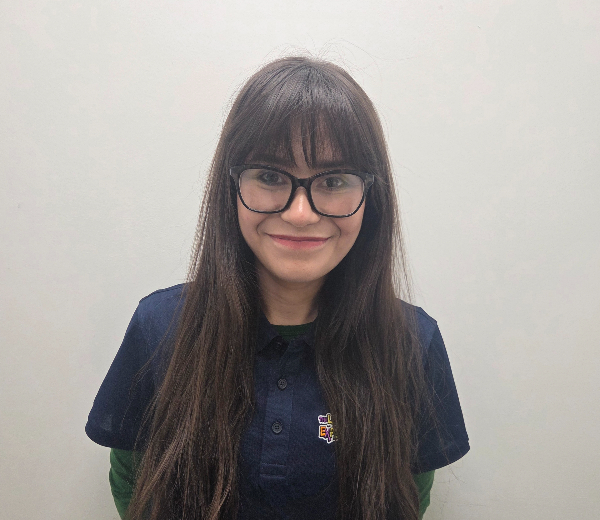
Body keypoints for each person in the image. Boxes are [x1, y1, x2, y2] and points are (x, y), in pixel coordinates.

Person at [85, 56, 469, 520]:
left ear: (372, 195)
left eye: (333, 181)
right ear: (231, 186)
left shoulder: (412, 343)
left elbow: (408, 498)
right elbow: (131, 479)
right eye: (269, 176)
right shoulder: (159, 327)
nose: (300, 213)